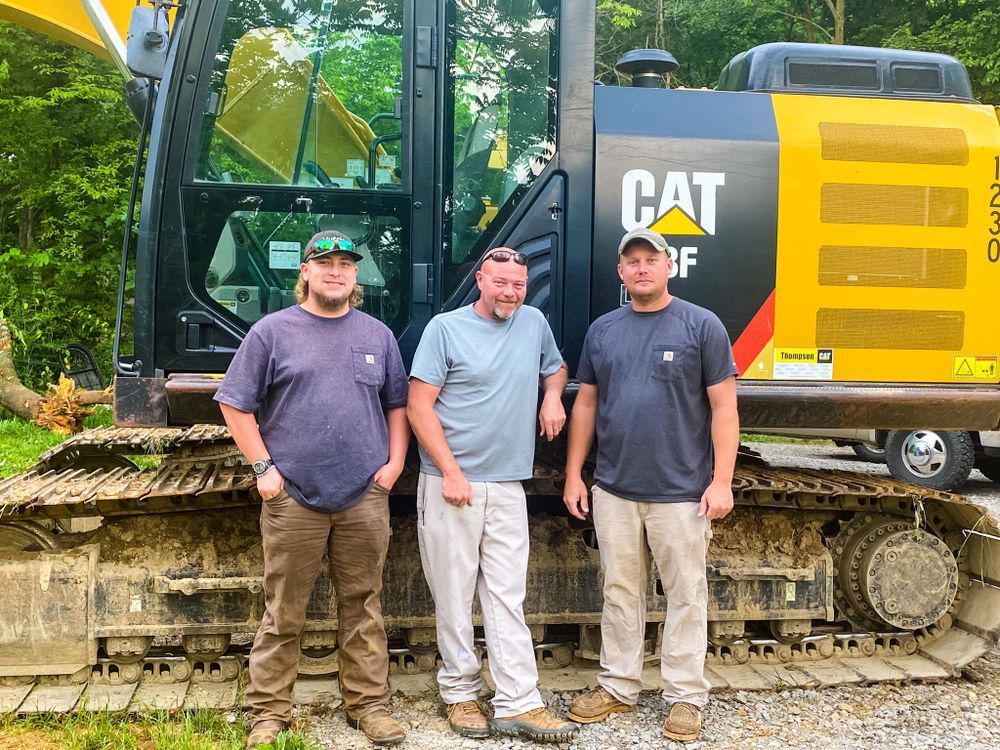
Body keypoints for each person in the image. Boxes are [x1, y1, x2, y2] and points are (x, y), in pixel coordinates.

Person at [215, 230, 410, 749]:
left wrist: (394, 464)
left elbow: (397, 404)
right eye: (324, 263)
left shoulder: (377, 335)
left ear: (355, 276)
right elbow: (234, 404)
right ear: (304, 271)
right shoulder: (271, 333)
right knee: (284, 610)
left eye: (346, 264)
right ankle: (269, 713)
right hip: (293, 496)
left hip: (364, 495)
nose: (335, 272)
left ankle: (369, 706)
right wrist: (264, 470)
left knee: (364, 605)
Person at [563, 227, 739, 742]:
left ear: (669, 266)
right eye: (632, 261)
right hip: (615, 489)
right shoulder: (604, 331)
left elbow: (724, 407)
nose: (641, 268)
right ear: (621, 272)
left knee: (687, 594)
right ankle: (618, 686)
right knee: (620, 590)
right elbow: (587, 404)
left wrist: (721, 482)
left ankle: (685, 696)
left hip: (681, 492)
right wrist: (576, 473)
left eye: (651, 259)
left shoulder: (700, 326)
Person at [407, 247, 579, 743]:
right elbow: (420, 407)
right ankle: (460, 694)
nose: (510, 292)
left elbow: (557, 367)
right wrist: (451, 472)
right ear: (480, 280)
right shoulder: (445, 328)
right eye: (500, 282)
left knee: (507, 596)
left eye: (518, 285)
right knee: (454, 596)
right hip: (451, 484)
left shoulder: (533, 322)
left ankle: (518, 702)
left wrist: (551, 394)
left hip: (507, 483)